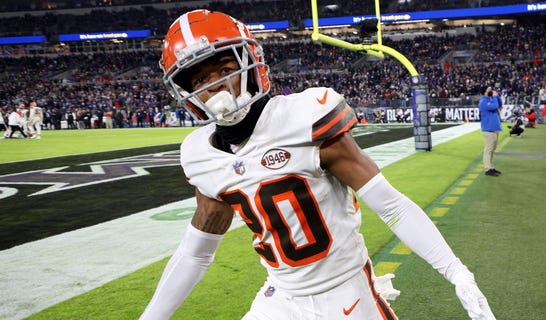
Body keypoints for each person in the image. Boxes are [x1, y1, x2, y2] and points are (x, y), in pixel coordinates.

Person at [140, 9, 495, 320]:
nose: (214, 85)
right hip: (279, 296)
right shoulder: (202, 154)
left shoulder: (304, 118)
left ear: (250, 64)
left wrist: (457, 272)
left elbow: (392, 207)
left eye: (225, 68)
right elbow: (195, 254)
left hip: (344, 292)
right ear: (185, 93)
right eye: (199, 80)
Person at [479, 86, 502, 176]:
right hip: (488, 129)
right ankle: (487, 169)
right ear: (485, 92)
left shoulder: (491, 99)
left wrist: (497, 96)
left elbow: (499, 105)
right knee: (488, 150)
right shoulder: (483, 101)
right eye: (489, 90)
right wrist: (495, 97)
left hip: (494, 128)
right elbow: (495, 106)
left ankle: (491, 167)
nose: (492, 91)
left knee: (492, 150)